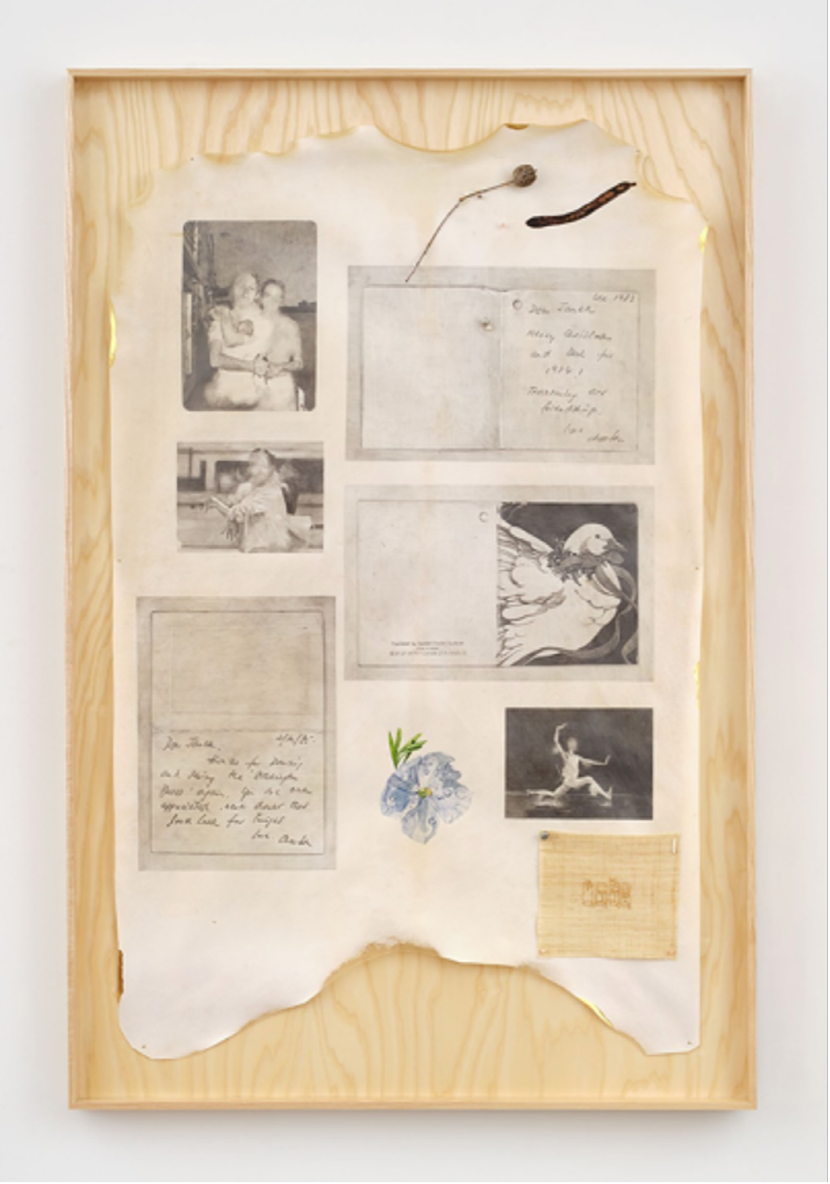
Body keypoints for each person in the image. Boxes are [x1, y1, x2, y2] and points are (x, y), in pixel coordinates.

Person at [216, 449, 312, 552]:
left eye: (262, 466)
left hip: (267, 548)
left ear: (271, 468)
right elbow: (238, 512)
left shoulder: (271, 493)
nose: (256, 471)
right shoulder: (254, 489)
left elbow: (239, 512)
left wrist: (216, 504)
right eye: (252, 465)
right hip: (256, 547)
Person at [203, 273, 271, 409]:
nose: (245, 292)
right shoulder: (218, 321)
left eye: (251, 288)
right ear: (232, 289)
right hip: (224, 394)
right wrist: (252, 366)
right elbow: (215, 360)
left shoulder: (262, 322)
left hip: (255, 394)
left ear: (256, 295)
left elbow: (232, 341)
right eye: (241, 285)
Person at [256, 279, 305, 411]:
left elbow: (299, 363)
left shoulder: (290, 326)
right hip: (254, 389)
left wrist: (281, 367)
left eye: (277, 298)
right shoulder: (251, 323)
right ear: (260, 297)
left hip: (282, 388)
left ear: (282, 301)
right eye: (268, 296)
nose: (272, 302)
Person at [538, 722, 613, 804]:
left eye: (573, 743)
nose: (572, 745)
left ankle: (535, 793)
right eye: (571, 743)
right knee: (589, 779)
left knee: (554, 795)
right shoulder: (565, 756)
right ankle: (604, 794)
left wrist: (603, 763)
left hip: (569, 782)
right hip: (571, 781)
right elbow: (556, 741)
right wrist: (557, 730)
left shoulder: (576, 757)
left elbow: (589, 761)